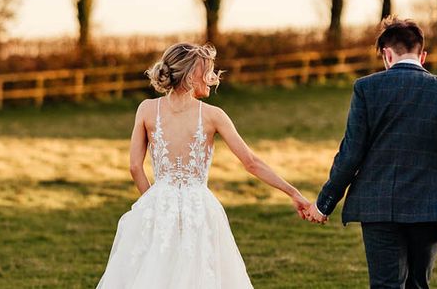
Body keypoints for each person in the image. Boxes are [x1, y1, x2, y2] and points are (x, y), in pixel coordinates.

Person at [95, 42, 309, 288]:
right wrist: (292, 192)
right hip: (199, 209)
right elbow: (251, 163)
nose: (212, 78)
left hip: (158, 204)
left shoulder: (146, 109)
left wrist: (155, 203)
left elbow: (135, 166)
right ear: (190, 75)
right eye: (207, 72)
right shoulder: (213, 115)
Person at [304, 17, 437, 289]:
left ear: (386, 54)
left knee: (385, 286)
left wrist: (324, 203)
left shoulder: (366, 89)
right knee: (418, 284)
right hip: (430, 206)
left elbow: (350, 154)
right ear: (422, 55)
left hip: (378, 206)